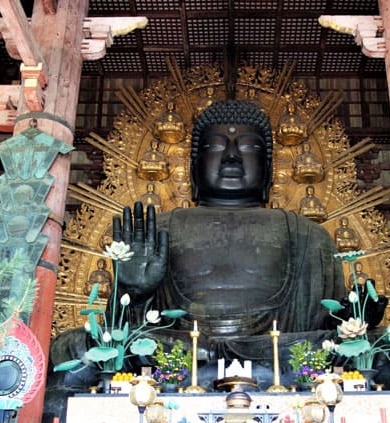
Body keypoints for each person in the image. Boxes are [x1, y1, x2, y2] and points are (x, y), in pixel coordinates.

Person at [113, 100, 345, 358]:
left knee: (388, 342)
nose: (231, 157)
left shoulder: (309, 236)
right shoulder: (157, 231)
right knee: (74, 345)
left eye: (249, 147)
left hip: (280, 354)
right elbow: (122, 329)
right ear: (193, 169)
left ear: (269, 170)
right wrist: (133, 295)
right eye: (214, 147)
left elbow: (328, 326)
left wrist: (353, 320)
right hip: (181, 353)